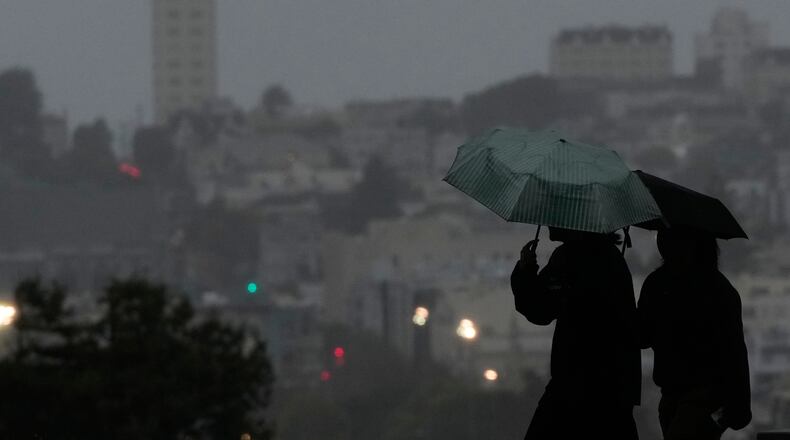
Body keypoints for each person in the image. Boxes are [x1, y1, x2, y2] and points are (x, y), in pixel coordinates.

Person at [511, 227, 641, 440]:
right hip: (615, 385)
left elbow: (540, 310)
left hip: (575, 382)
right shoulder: (611, 258)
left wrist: (526, 269)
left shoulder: (570, 257)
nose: (549, 223)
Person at [638, 227, 751, 440]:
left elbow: (642, 337)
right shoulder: (719, 288)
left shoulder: (658, 284)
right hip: (694, 398)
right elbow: (735, 352)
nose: (661, 239)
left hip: (697, 396)